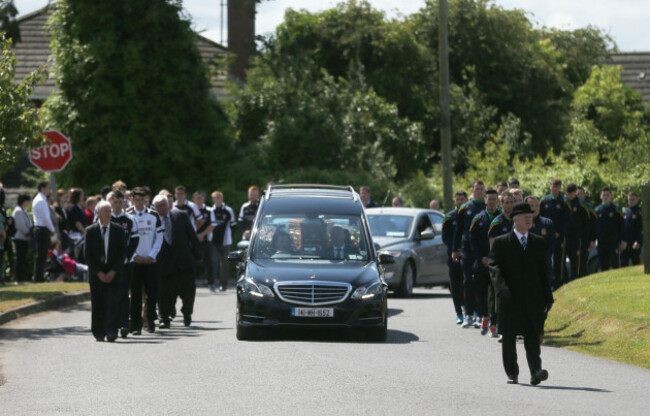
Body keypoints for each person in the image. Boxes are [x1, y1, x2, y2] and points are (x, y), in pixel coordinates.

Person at [488, 202, 554, 386]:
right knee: (508, 338)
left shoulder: (538, 242)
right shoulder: (501, 242)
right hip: (509, 298)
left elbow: (543, 272)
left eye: (530, 216)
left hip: (532, 298)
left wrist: (548, 297)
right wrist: (502, 290)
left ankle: (535, 372)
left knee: (532, 336)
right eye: (525, 216)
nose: (529, 219)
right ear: (514, 220)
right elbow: (494, 267)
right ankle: (512, 372)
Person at [154, 195, 201, 329]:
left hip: (184, 261)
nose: (162, 208)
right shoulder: (153, 220)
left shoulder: (180, 216)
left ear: (168, 205)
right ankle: (164, 318)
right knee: (164, 292)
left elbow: (192, 235)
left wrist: (198, 255)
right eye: (159, 206)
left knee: (188, 291)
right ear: (155, 208)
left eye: (164, 204)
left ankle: (187, 313)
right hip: (163, 263)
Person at [85, 201, 126, 342]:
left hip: (114, 273)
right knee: (98, 303)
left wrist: (113, 271)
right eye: (105, 211)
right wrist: (99, 273)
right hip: (97, 274)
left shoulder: (119, 230)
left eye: (110, 211)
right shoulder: (90, 231)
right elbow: (88, 255)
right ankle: (98, 331)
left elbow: (122, 254)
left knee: (113, 302)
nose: (108, 214)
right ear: (98, 213)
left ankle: (112, 330)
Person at [126, 187, 163, 334]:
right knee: (135, 294)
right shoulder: (127, 215)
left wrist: (152, 255)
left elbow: (159, 237)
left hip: (150, 261)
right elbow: (127, 238)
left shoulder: (153, 215)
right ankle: (136, 325)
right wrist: (134, 255)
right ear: (132, 200)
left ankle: (150, 322)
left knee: (152, 293)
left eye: (142, 200)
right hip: (134, 261)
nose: (139, 203)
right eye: (137, 200)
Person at [452, 180, 486, 328]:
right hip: (467, 250)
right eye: (476, 189)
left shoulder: (487, 207)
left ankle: (480, 314)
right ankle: (468, 314)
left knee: (480, 282)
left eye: (481, 189)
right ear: (472, 191)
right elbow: (458, 231)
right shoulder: (465, 208)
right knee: (467, 281)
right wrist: (454, 249)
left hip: (482, 251)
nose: (479, 191)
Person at [108, 190, 139, 339]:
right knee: (111, 294)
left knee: (124, 294)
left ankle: (124, 324)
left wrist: (127, 256)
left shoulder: (130, 219)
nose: (118, 205)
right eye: (115, 202)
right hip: (109, 262)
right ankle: (111, 324)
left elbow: (134, 239)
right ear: (111, 202)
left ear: (124, 203)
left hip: (126, 263)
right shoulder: (105, 217)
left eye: (121, 202)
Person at [469, 189, 500, 336]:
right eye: (490, 199)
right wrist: (481, 258)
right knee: (480, 293)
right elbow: (472, 241)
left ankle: (494, 322)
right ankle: (484, 316)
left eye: (495, 199)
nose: (492, 201)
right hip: (481, 262)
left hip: (497, 264)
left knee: (496, 294)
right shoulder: (478, 219)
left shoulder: (502, 218)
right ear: (485, 200)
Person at [442, 190, 468, 324]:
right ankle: (459, 312)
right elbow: (445, 237)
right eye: (457, 200)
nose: (459, 202)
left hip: (468, 256)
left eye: (462, 199)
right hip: (454, 257)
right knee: (455, 285)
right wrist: (455, 249)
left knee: (468, 284)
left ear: (466, 200)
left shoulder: (470, 215)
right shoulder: (449, 217)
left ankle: (470, 311)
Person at [540, 178, 571, 290]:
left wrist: (560, 233)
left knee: (559, 261)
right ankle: (547, 283)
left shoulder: (564, 201)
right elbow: (539, 217)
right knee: (546, 260)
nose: (555, 188)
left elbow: (567, 221)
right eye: (553, 186)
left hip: (559, 237)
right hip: (545, 237)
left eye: (557, 186)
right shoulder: (543, 201)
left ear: (560, 188)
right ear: (550, 186)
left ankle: (559, 284)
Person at [209, 191, 237, 292]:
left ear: (222, 198)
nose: (218, 199)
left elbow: (234, 225)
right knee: (214, 262)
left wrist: (230, 237)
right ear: (213, 199)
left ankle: (223, 285)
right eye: (216, 198)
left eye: (220, 197)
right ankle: (212, 283)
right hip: (213, 241)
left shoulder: (228, 210)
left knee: (224, 264)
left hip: (225, 241)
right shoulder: (210, 211)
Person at [565, 183, 592, 280]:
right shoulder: (564, 203)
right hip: (566, 238)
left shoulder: (582, 205)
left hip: (579, 239)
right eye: (568, 193)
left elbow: (588, 224)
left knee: (578, 264)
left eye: (572, 193)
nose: (570, 195)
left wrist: (589, 239)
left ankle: (576, 281)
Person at [595, 187, 624, 271]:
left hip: (614, 243)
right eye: (604, 195)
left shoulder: (617, 210)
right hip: (601, 243)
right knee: (603, 265)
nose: (606, 197)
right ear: (601, 196)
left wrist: (623, 240)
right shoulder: (597, 210)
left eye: (608, 195)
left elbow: (622, 226)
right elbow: (593, 227)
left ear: (611, 196)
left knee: (615, 264)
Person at [32, 181, 56, 282]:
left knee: (41, 254)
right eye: (48, 188)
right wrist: (52, 229)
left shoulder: (38, 199)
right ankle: (39, 277)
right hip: (42, 229)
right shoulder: (41, 200)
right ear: (42, 188)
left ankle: (38, 276)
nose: (49, 190)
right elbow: (46, 218)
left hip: (39, 228)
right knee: (42, 254)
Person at [193, 190, 215, 289]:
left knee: (209, 262)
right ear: (193, 199)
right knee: (192, 262)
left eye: (201, 198)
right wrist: (195, 236)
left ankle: (211, 283)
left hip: (206, 240)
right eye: (197, 198)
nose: (199, 200)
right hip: (193, 240)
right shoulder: (191, 210)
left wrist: (202, 235)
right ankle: (191, 282)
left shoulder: (210, 210)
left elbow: (212, 225)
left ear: (204, 199)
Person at [12, 194, 32, 284]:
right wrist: (27, 233)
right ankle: (17, 278)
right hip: (19, 237)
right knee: (20, 258)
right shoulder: (18, 211)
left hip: (24, 238)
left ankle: (21, 278)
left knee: (23, 258)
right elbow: (21, 225)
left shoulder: (24, 211)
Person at [621, 191, 643, 266]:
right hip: (625, 244)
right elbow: (621, 228)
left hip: (636, 244)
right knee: (623, 266)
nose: (631, 201)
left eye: (633, 199)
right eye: (629, 199)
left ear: (637, 200)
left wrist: (638, 241)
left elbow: (643, 229)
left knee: (636, 265)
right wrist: (622, 240)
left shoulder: (641, 212)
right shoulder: (625, 211)